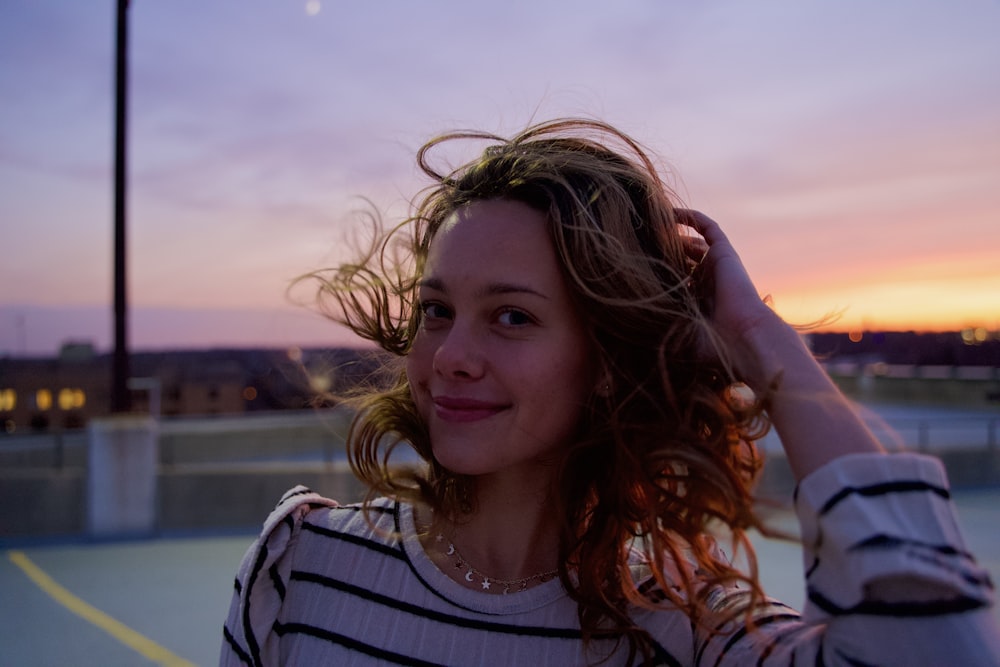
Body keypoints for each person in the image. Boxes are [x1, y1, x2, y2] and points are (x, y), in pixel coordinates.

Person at [221, 119, 999, 666]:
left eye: (512, 316)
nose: (451, 355)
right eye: (438, 311)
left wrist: (760, 339)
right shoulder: (302, 564)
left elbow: (938, 644)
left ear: (604, 359)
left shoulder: (689, 632)